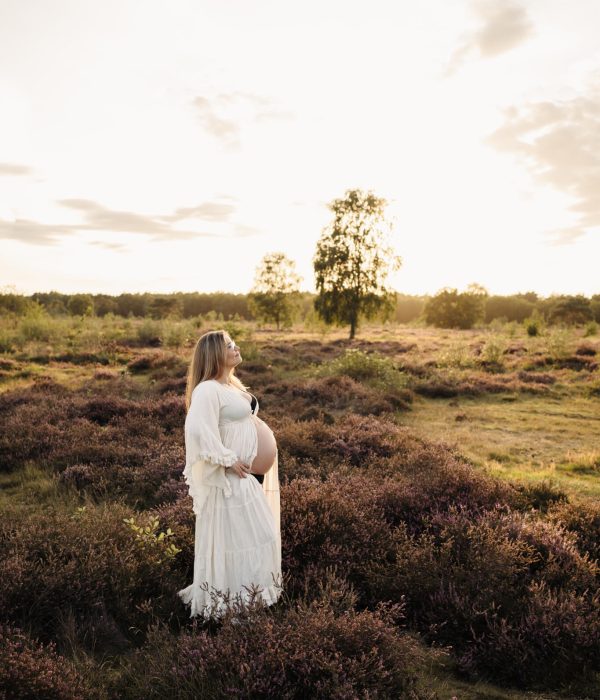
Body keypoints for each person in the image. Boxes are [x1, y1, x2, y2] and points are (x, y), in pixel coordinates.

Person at [177, 329, 282, 620]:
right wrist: (226, 460)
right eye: (229, 346)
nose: (236, 348)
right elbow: (197, 429)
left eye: (234, 343)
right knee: (240, 541)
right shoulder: (207, 389)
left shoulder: (231, 384)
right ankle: (232, 605)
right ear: (214, 355)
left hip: (247, 478)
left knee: (258, 536)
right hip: (231, 481)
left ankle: (251, 598)